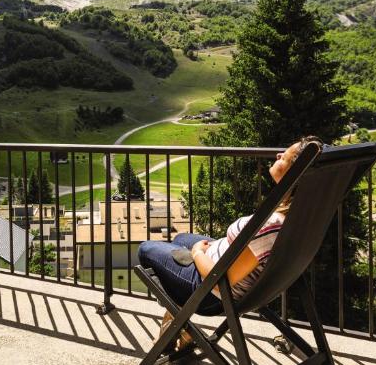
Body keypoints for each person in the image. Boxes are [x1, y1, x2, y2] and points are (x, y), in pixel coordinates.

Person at [137, 136, 320, 349]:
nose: (278, 155)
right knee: (180, 238)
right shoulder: (300, 217)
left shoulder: (271, 228)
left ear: (293, 173)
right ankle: (175, 324)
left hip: (212, 292)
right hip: (229, 265)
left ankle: (177, 326)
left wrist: (197, 253)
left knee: (146, 250)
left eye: (284, 157)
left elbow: (219, 281)